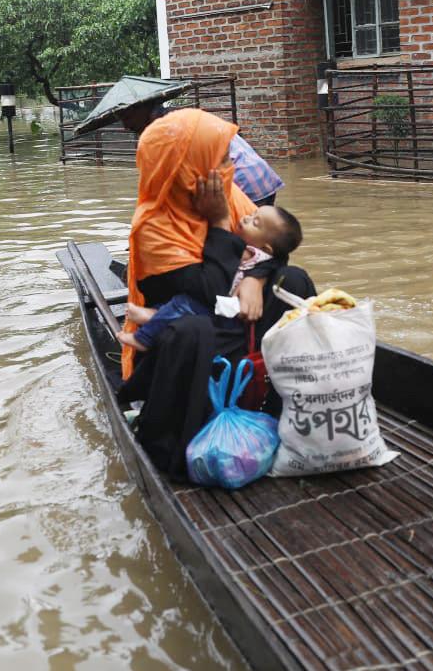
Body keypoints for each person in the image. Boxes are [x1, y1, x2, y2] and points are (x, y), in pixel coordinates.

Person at [115, 108, 314, 478]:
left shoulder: (229, 195)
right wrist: (220, 224)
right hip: (185, 342)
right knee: (193, 327)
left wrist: (255, 277)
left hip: (232, 322)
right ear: (188, 165)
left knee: (295, 280)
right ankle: (178, 444)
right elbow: (208, 291)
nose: (228, 167)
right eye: (219, 158)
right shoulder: (156, 227)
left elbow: (276, 249)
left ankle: (290, 411)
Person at [119, 203, 303, 352]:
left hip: (227, 311)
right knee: (179, 304)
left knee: (186, 305)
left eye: (255, 222)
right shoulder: (248, 236)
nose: (246, 216)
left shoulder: (249, 248)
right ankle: (155, 316)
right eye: (253, 214)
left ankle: (145, 336)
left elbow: (278, 255)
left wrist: (255, 277)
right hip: (220, 301)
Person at [118, 101, 284, 205]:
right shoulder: (181, 116)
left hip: (243, 184)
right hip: (260, 176)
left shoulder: (166, 131)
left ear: (142, 108)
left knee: (239, 250)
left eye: (127, 117)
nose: (126, 126)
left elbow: (174, 185)